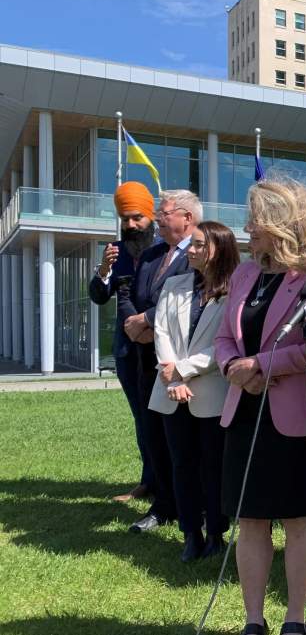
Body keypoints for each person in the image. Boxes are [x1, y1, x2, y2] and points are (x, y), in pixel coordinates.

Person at [215, 177, 306, 635]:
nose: (247, 228)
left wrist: (262, 364)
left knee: (300, 518)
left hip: (292, 419)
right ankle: (253, 621)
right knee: (251, 519)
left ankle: (295, 620)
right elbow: (224, 336)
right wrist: (232, 369)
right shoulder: (244, 273)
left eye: (255, 220)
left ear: (281, 222)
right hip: (244, 413)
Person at [149, 220, 240, 562]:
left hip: (212, 391)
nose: (192, 250)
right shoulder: (173, 284)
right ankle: (191, 532)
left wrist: (184, 371)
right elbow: (161, 332)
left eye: (200, 244)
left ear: (219, 249)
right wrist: (172, 377)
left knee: (212, 465)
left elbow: (228, 343)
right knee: (181, 464)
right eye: (191, 244)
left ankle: (216, 531)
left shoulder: (235, 290)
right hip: (170, 390)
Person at [125, 189, 202, 533]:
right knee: (153, 435)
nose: (158, 217)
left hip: (181, 365)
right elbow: (131, 294)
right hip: (146, 360)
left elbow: (197, 296)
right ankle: (164, 505)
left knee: (182, 445)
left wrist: (146, 321)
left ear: (187, 217)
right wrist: (134, 323)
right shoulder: (153, 254)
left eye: (165, 212)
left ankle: (193, 507)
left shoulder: (201, 254)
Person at [89, 181, 159, 503]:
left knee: (164, 420)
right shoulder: (115, 253)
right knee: (141, 418)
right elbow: (99, 296)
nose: (131, 225)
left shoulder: (166, 250)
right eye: (125, 219)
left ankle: (170, 484)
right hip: (128, 352)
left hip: (163, 351)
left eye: (136, 218)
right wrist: (103, 270)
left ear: (150, 216)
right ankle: (149, 481)